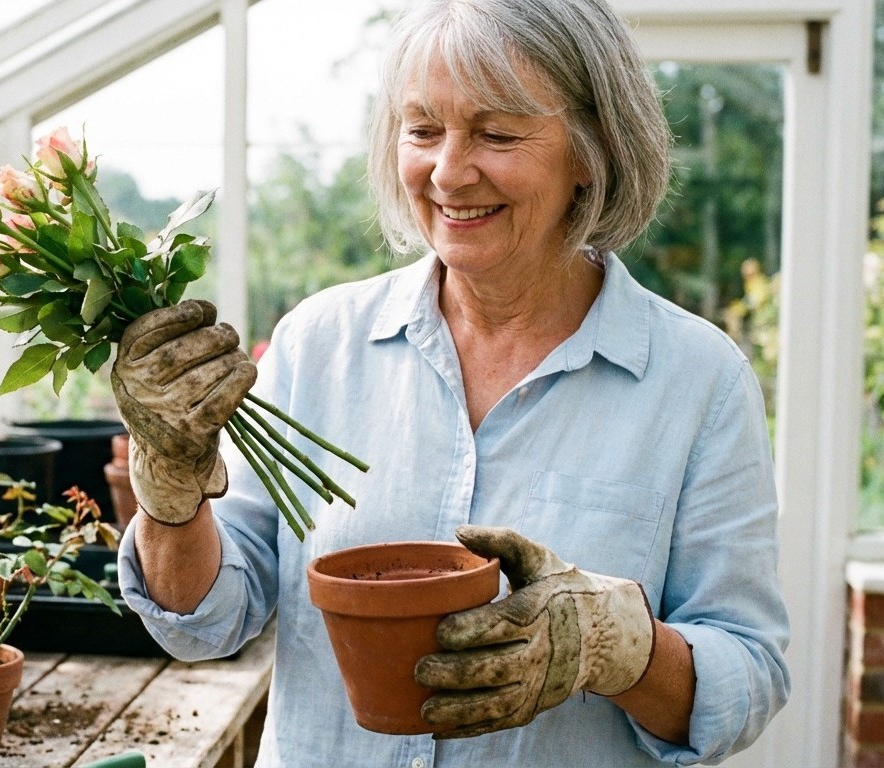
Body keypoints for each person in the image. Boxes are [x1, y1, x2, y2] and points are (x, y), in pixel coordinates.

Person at [110, 0, 790, 765]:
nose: (447, 171)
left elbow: (747, 676)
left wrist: (615, 645)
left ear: (593, 150)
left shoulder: (696, 380)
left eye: (497, 134)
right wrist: (168, 489)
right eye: (423, 129)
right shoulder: (319, 344)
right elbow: (206, 620)